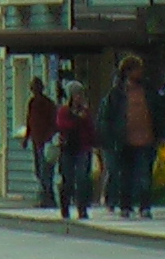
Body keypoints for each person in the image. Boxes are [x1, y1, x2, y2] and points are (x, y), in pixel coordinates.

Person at [97, 55, 164, 219]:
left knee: (144, 176)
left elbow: (159, 113)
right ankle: (125, 206)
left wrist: (160, 134)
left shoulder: (148, 91)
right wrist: (110, 139)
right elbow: (106, 118)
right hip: (124, 142)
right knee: (125, 176)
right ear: (127, 71)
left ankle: (144, 207)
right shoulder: (116, 94)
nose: (140, 72)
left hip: (147, 140)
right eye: (136, 69)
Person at [56, 80, 98, 220]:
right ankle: (65, 207)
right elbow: (63, 125)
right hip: (68, 149)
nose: (79, 97)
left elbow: (90, 128)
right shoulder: (64, 111)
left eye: (80, 94)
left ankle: (82, 208)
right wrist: (77, 119)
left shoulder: (85, 111)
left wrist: (94, 143)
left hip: (83, 148)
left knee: (82, 179)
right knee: (67, 180)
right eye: (76, 94)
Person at [24, 77, 59, 208]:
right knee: (39, 170)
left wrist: (50, 137)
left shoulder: (48, 104)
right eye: (32, 87)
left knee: (46, 171)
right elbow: (29, 121)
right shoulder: (32, 103)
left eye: (36, 87)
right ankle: (45, 196)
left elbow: (54, 123)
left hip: (46, 142)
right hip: (36, 140)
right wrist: (27, 137)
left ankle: (49, 198)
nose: (33, 90)